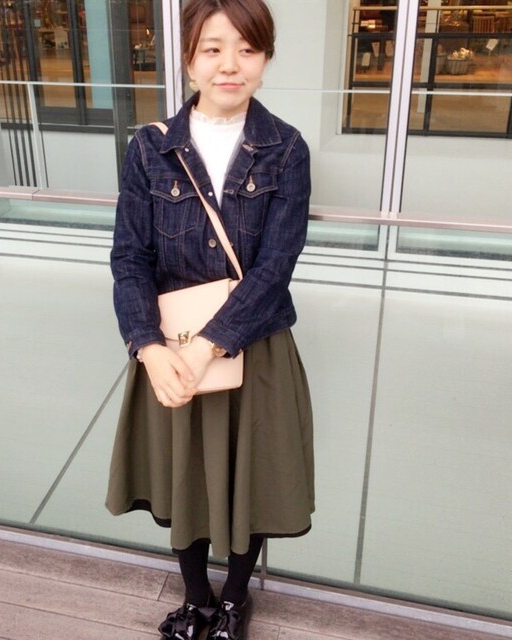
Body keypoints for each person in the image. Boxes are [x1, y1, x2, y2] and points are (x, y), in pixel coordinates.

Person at [106, 0, 314, 638]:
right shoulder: (150, 148)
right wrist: (147, 346)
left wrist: (209, 346)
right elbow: (129, 257)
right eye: (213, 49)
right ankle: (196, 599)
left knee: (252, 477)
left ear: (266, 59)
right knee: (182, 476)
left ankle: (234, 601)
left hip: (253, 345)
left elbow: (275, 267)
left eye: (247, 49)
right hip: (169, 346)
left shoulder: (286, 149)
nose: (231, 65)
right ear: (189, 60)